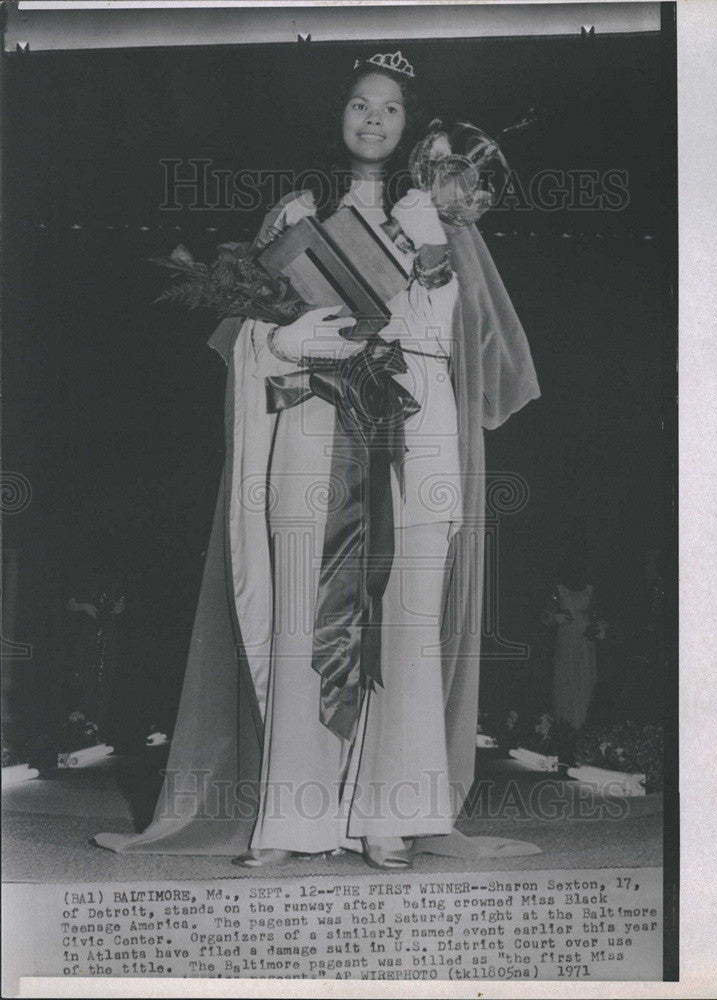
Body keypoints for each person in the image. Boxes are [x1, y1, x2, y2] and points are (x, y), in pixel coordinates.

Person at [94, 51, 541, 868]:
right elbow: (238, 337)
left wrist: (431, 241)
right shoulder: (296, 212)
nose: (372, 118)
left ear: (415, 132)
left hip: (414, 430)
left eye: (391, 109)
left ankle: (388, 813)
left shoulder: (441, 217)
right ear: (338, 116)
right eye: (358, 104)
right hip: (312, 418)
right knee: (306, 615)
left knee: (403, 619)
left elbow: (463, 350)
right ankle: (294, 819)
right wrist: (279, 338)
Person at [542, 557, 606, 729]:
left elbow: (597, 615)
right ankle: (564, 725)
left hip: (584, 642)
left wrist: (596, 628)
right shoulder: (559, 590)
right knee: (565, 679)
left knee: (584, 681)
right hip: (566, 641)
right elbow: (546, 617)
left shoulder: (590, 591)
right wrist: (556, 618)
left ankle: (583, 724)